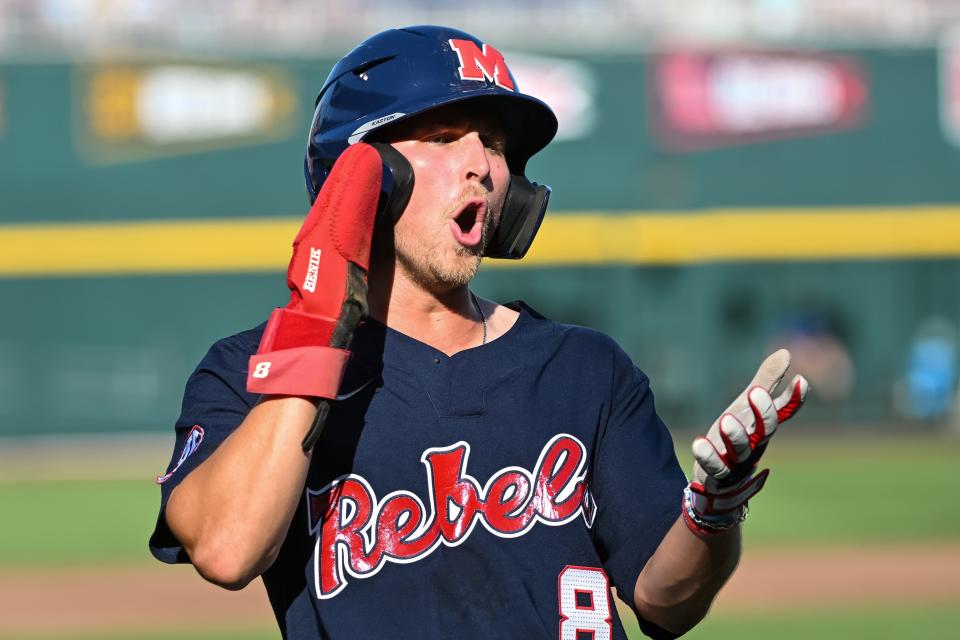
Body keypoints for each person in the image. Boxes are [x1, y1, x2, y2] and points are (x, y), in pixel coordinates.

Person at [149, 25, 808, 639]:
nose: (483, 167)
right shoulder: (249, 370)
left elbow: (670, 602)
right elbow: (227, 547)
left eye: (493, 146)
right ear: (357, 174)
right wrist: (319, 321)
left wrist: (714, 509)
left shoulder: (584, 368)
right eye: (443, 139)